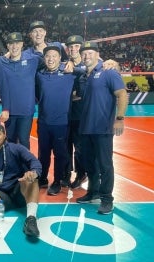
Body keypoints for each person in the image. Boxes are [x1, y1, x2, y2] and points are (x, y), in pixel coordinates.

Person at [76, 41, 128, 214]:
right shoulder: (84, 76)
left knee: (105, 164)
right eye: (84, 53)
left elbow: (122, 94)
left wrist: (119, 118)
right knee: (90, 164)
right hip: (86, 128)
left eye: (90, 53)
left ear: (98, 54)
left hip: (102, 127)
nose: (86, 56)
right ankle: (93, 192)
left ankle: (107, 199)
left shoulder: (108, 71)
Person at [35, 44, 81, 196]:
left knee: (60, 154)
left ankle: (57, 182)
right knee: (43, 153)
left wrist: (73, 64)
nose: (50, 59)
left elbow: (88, 69)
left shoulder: (69, 73)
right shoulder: (39, 75)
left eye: (54, 56)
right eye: (48, 56)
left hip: (61, 123)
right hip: (43, 122)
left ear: (60, 58)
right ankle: (42, 178)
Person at [0, 32, 44, 150]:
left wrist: (70, 61)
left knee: (24, 140)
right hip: (9, 111)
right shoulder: (1, 62)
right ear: (7, 46)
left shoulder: (33, 60)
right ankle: (13, 167)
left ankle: (26, 166)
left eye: (17, 43)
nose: (14, 46)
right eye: (11, 44)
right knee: (10, 141)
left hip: (26, 111)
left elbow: (52, 60)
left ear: (22, 44)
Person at [65, 35, 88, 189]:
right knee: (65, 147)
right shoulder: (64, 65)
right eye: (70, 46)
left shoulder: (90, 65)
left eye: (76, 46)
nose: (73, 49)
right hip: (65, 113)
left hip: (81, 114)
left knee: (80, 148)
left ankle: (81, 174)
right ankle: (65, 175)